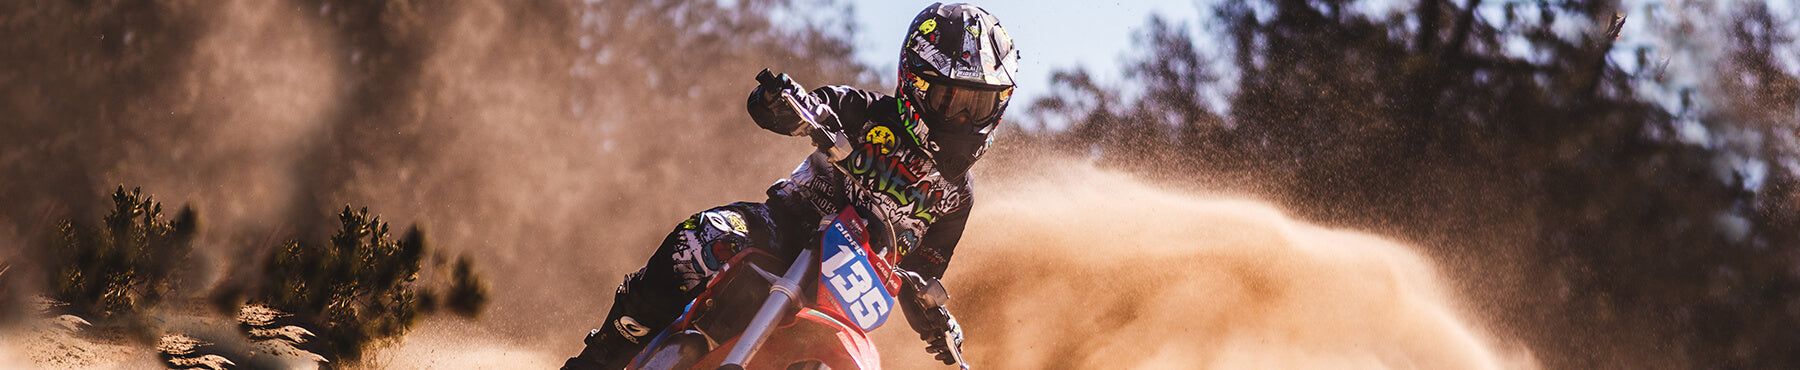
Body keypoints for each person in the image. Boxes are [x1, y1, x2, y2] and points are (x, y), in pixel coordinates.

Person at [563, 3, 1018, 369]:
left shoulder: (957, 197)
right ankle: (604, 353)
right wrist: (781, 104)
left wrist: (930, 309)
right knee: (702, 236)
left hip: (847, 291)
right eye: (953, 100)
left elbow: (921, 274)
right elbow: (799, 106)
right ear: (916, 83)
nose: (964, 119)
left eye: (980, 106)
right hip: (781, 229)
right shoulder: (862, 112)